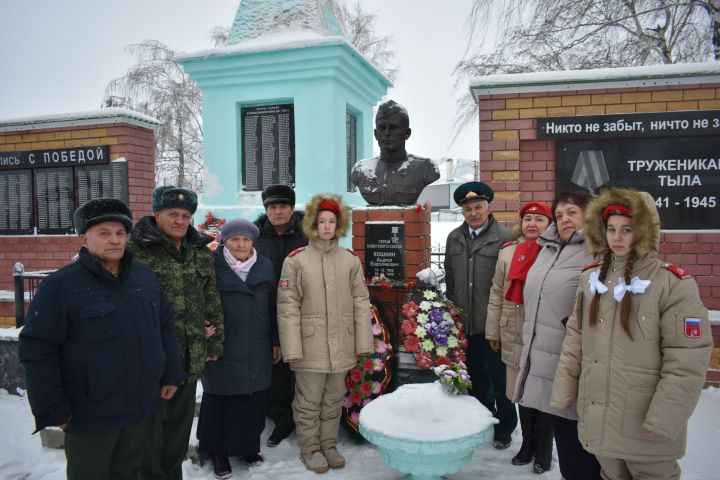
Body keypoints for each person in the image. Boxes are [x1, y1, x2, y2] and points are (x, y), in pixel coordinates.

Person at [551, 188, 712, 480]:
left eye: (627, 229)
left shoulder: (673, 284)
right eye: (611, 229)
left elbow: (687, 360)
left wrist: (665, 418)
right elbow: (575, 338)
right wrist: (564, 389)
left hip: (645, 422)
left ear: (645, 230)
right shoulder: (591, 278)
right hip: (600, 418)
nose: (617, 237)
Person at [19, 199, 186, 480]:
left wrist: (170, 373)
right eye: (104, 233)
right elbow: (38, 350)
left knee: (128, 473)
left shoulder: (144, 280)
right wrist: (53, 409)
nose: (115, 240)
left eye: (121, 233)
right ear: (84, 238)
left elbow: (165, 327)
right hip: (90, 415)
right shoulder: (61, 287)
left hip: (140, 409)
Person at [128, 186, 225, 480]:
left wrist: (214, 340)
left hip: (188, 358)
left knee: (176, 440)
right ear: (156, 214)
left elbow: (212, 298)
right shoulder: (134, 251)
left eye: (185, 215)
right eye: (172, 214)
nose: (180, 221)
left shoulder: (199, 252)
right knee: (149, 440)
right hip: (150, 362)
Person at [277, 193, 373, 474]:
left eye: (332, 221)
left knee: (333, 399)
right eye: (322, 221)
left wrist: (363, 342)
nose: (327, 227)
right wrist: (292, 347)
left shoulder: (350, 260)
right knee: (308, 402)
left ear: (339, 225)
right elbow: (287, 306)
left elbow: (360, 302)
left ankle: (329, 444)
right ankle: (311, 448)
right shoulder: (296, 260)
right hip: (310, 345)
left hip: (341, 344)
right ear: (312, 225)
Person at [514, 190, 601, 479]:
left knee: (584, 454)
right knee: (568, 452)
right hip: (545, 359)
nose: (564, 219)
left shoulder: (598, 250)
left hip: (575, 363)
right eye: (560, 214)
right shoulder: (549, 248)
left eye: (572, 212)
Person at [197, 219, 279, 479]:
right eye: (234, 239)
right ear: (225, 241)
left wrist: (276, 340)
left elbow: (274, 306)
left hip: (257, 342)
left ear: (253, 242)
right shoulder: (212, 265)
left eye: (246, 240)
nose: (241, 244)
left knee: (251, 397)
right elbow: (199, 302)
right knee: (220, 396)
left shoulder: (265, 266)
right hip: (223, 343)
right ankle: (217, 451)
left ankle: (246, 447)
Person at [444, 181, 517, 450]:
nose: (473, 213)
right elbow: (451, 278)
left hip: (494, 323)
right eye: (467, 209)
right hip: (466, 323)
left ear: (488, 207)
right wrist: (453, 311)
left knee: (500, 379)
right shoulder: (454, 238)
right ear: (462, 211)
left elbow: (511, 283)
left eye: (478, 207)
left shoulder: (505, 237)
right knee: (476, 377)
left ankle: (506, 426)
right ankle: (481, 421)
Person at [485, 201, 554, 473]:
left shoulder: (554, 253)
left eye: (539, 219)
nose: (532, 224)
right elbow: (496, 292)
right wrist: (493, 330)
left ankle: (544, 451)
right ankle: (527, 445)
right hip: (513, 332)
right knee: (521, 393)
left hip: (543, 335)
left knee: (543, 394)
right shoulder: (508, 253)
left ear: (549, 225)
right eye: (528, 219)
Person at [254, 184, 308, 447]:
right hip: (267, 311)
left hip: (304, 311)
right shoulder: (255, 237)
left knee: (304, 368)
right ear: (266, 210)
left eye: (283, 206)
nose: (277, 211)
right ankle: (282, 420)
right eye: (272, 207)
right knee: (277, 369)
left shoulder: (307, 235)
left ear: (291, 208)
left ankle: (306, 419)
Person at [350, 100, 440, 206]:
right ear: (375, 134)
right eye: (382, 128)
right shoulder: (361, 170)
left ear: (407, 133)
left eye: (393, 127)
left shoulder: (425, 168)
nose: (387, 133)